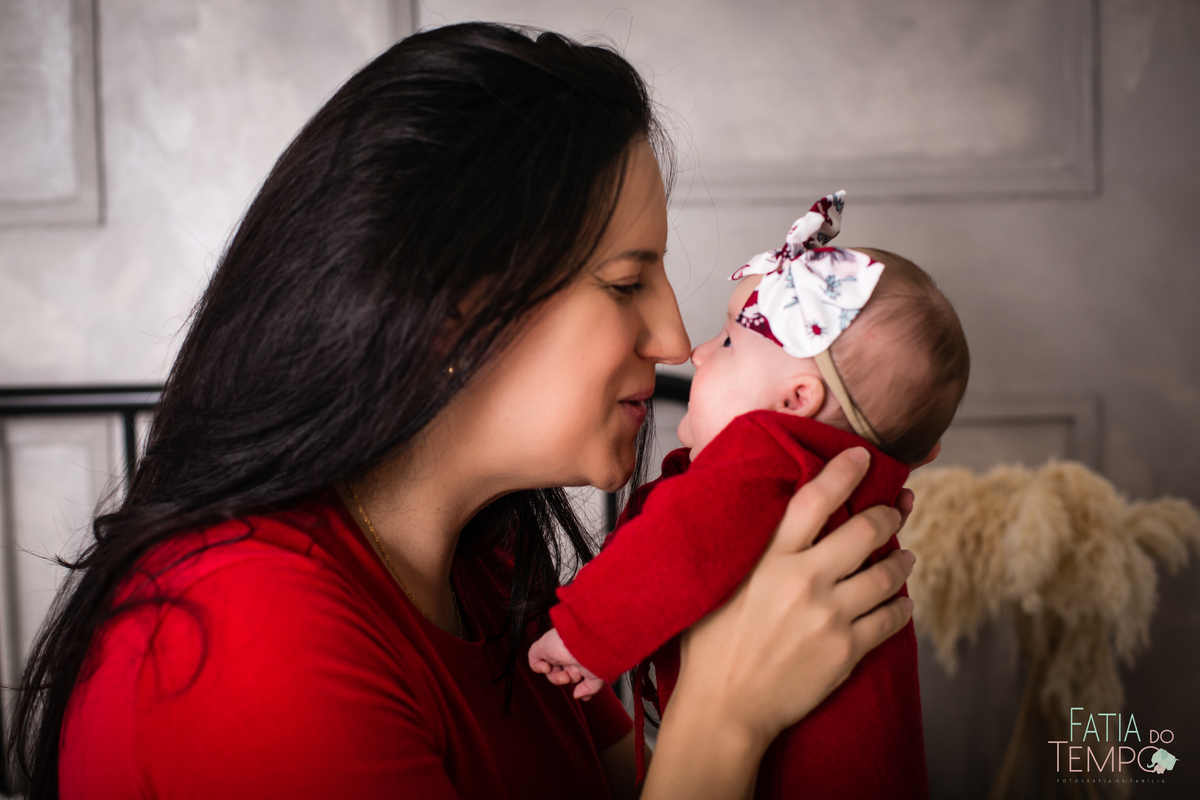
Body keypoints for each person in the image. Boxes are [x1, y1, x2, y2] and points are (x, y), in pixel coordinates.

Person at [12, 24, 917, 800]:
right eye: (627, 281)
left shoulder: (487, 571)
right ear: (455, 307)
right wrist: (726, 713)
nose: (677, 338)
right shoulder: (243, 649)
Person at [528, 193, 970, 797]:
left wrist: (586, 633)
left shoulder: (766, 456)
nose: (698, 352)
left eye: (731, 343)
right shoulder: (846, 492)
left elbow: (678, 543)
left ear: (794, 403)